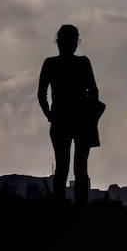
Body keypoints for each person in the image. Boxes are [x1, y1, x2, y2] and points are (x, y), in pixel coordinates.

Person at [38, 24, 101, 208]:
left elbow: (41, 93)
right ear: (75, 43)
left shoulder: (51, 64)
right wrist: (91, 114)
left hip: (61, 120)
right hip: (80, 121)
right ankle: (80, 208)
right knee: (80, 167)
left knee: (62, 167)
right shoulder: (82, 63)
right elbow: (94, 91)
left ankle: (59, 208)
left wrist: (49, 113)